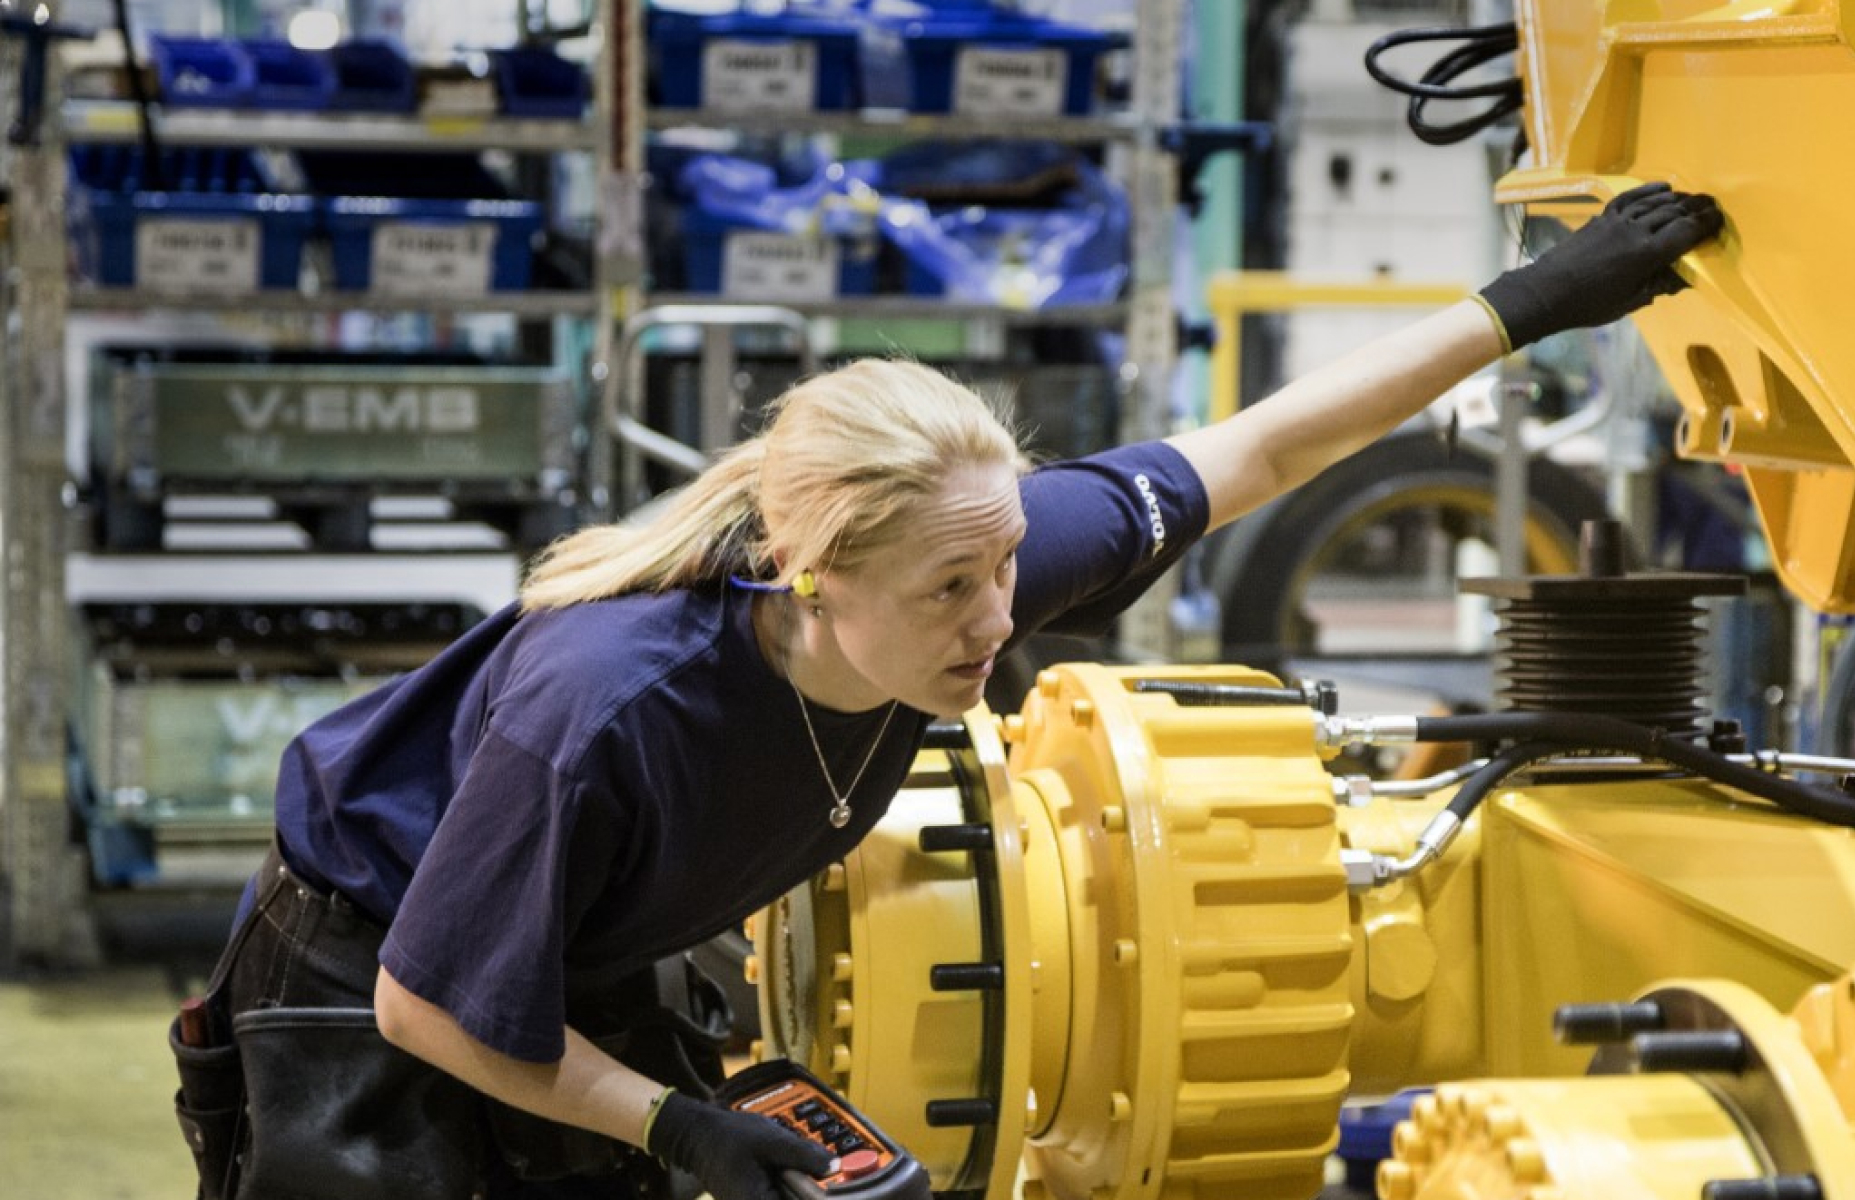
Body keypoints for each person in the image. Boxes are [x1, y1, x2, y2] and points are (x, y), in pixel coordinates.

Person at [168, 182, 1722, 1200]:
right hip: (369, 977)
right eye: (954, 595)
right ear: (810, 573)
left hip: (578, 950)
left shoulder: (962, 559)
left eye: (1005, 571)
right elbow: (431, 1003)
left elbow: (1259, 452)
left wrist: (1524, 305)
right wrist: (670, 1122)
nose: (1001, 624)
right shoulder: (610, 709)